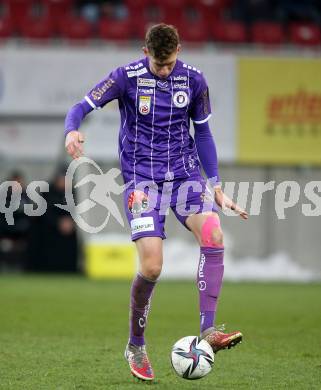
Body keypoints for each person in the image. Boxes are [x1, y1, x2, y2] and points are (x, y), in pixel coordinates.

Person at [65, 23, 248, 381]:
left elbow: (204, 134)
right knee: (151, 268)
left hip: (185, 174)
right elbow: (81, 106)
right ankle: (136, 344)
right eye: (158, 65)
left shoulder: (194, 80)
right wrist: (72, 129)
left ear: (179, 50)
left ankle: (208, 330)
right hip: (141, 180)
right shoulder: (126, 77)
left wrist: (215, 186)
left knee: (213, 234)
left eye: (169, 64)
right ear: (145, 51)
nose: (164, 71)